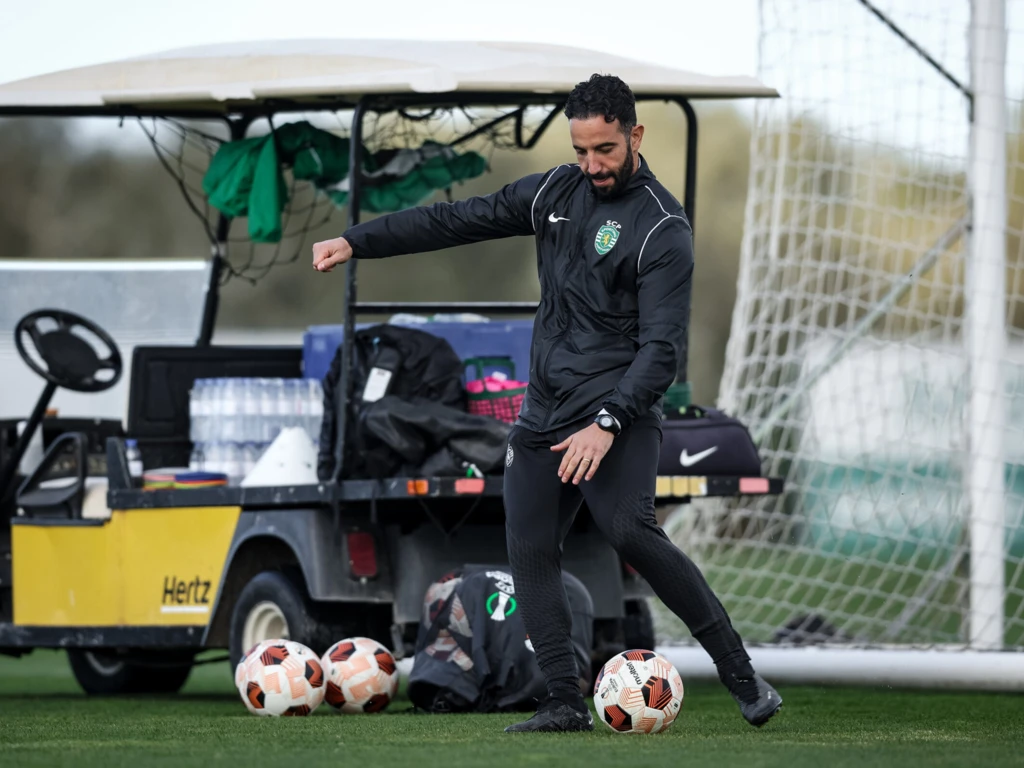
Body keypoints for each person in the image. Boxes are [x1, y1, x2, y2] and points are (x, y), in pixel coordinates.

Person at [311, 73, 782, 732]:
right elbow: (455, 218)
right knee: (529, 548)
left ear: (635, 136)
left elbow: (662, 352)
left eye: (605, 151)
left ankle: (743, 677)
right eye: (582, 149)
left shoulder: (661, 228)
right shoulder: (554, 192)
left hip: (617, 417)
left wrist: (606, 424)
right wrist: (359, 239)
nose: (592, 165)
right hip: (543, 416)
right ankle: (564, 701)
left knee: (629, 533)